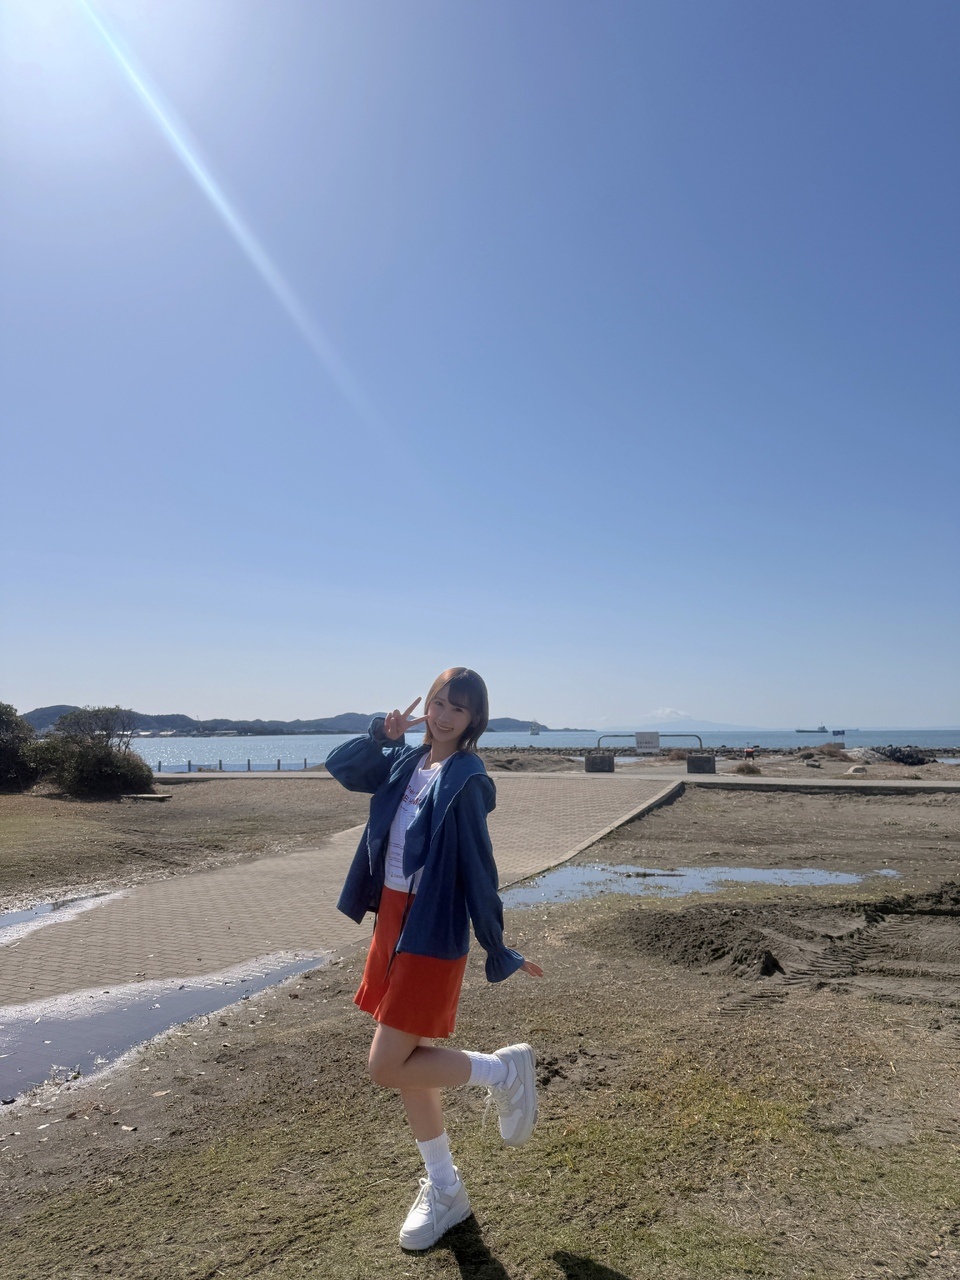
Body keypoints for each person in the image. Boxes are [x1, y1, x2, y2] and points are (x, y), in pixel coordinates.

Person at [325, 666, 543, 1251]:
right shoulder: (404, 760)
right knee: (408, 1066)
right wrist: (381, 733)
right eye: (440, 702)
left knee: (385, 1065)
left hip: (430, 928)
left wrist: (499, 947)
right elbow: (341, 768)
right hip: (391, 921)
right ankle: (446, 1190)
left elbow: (478, 865)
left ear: (475, 720)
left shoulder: (467, 777)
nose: (445, 715)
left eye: (459, 708)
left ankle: (502, 1071)